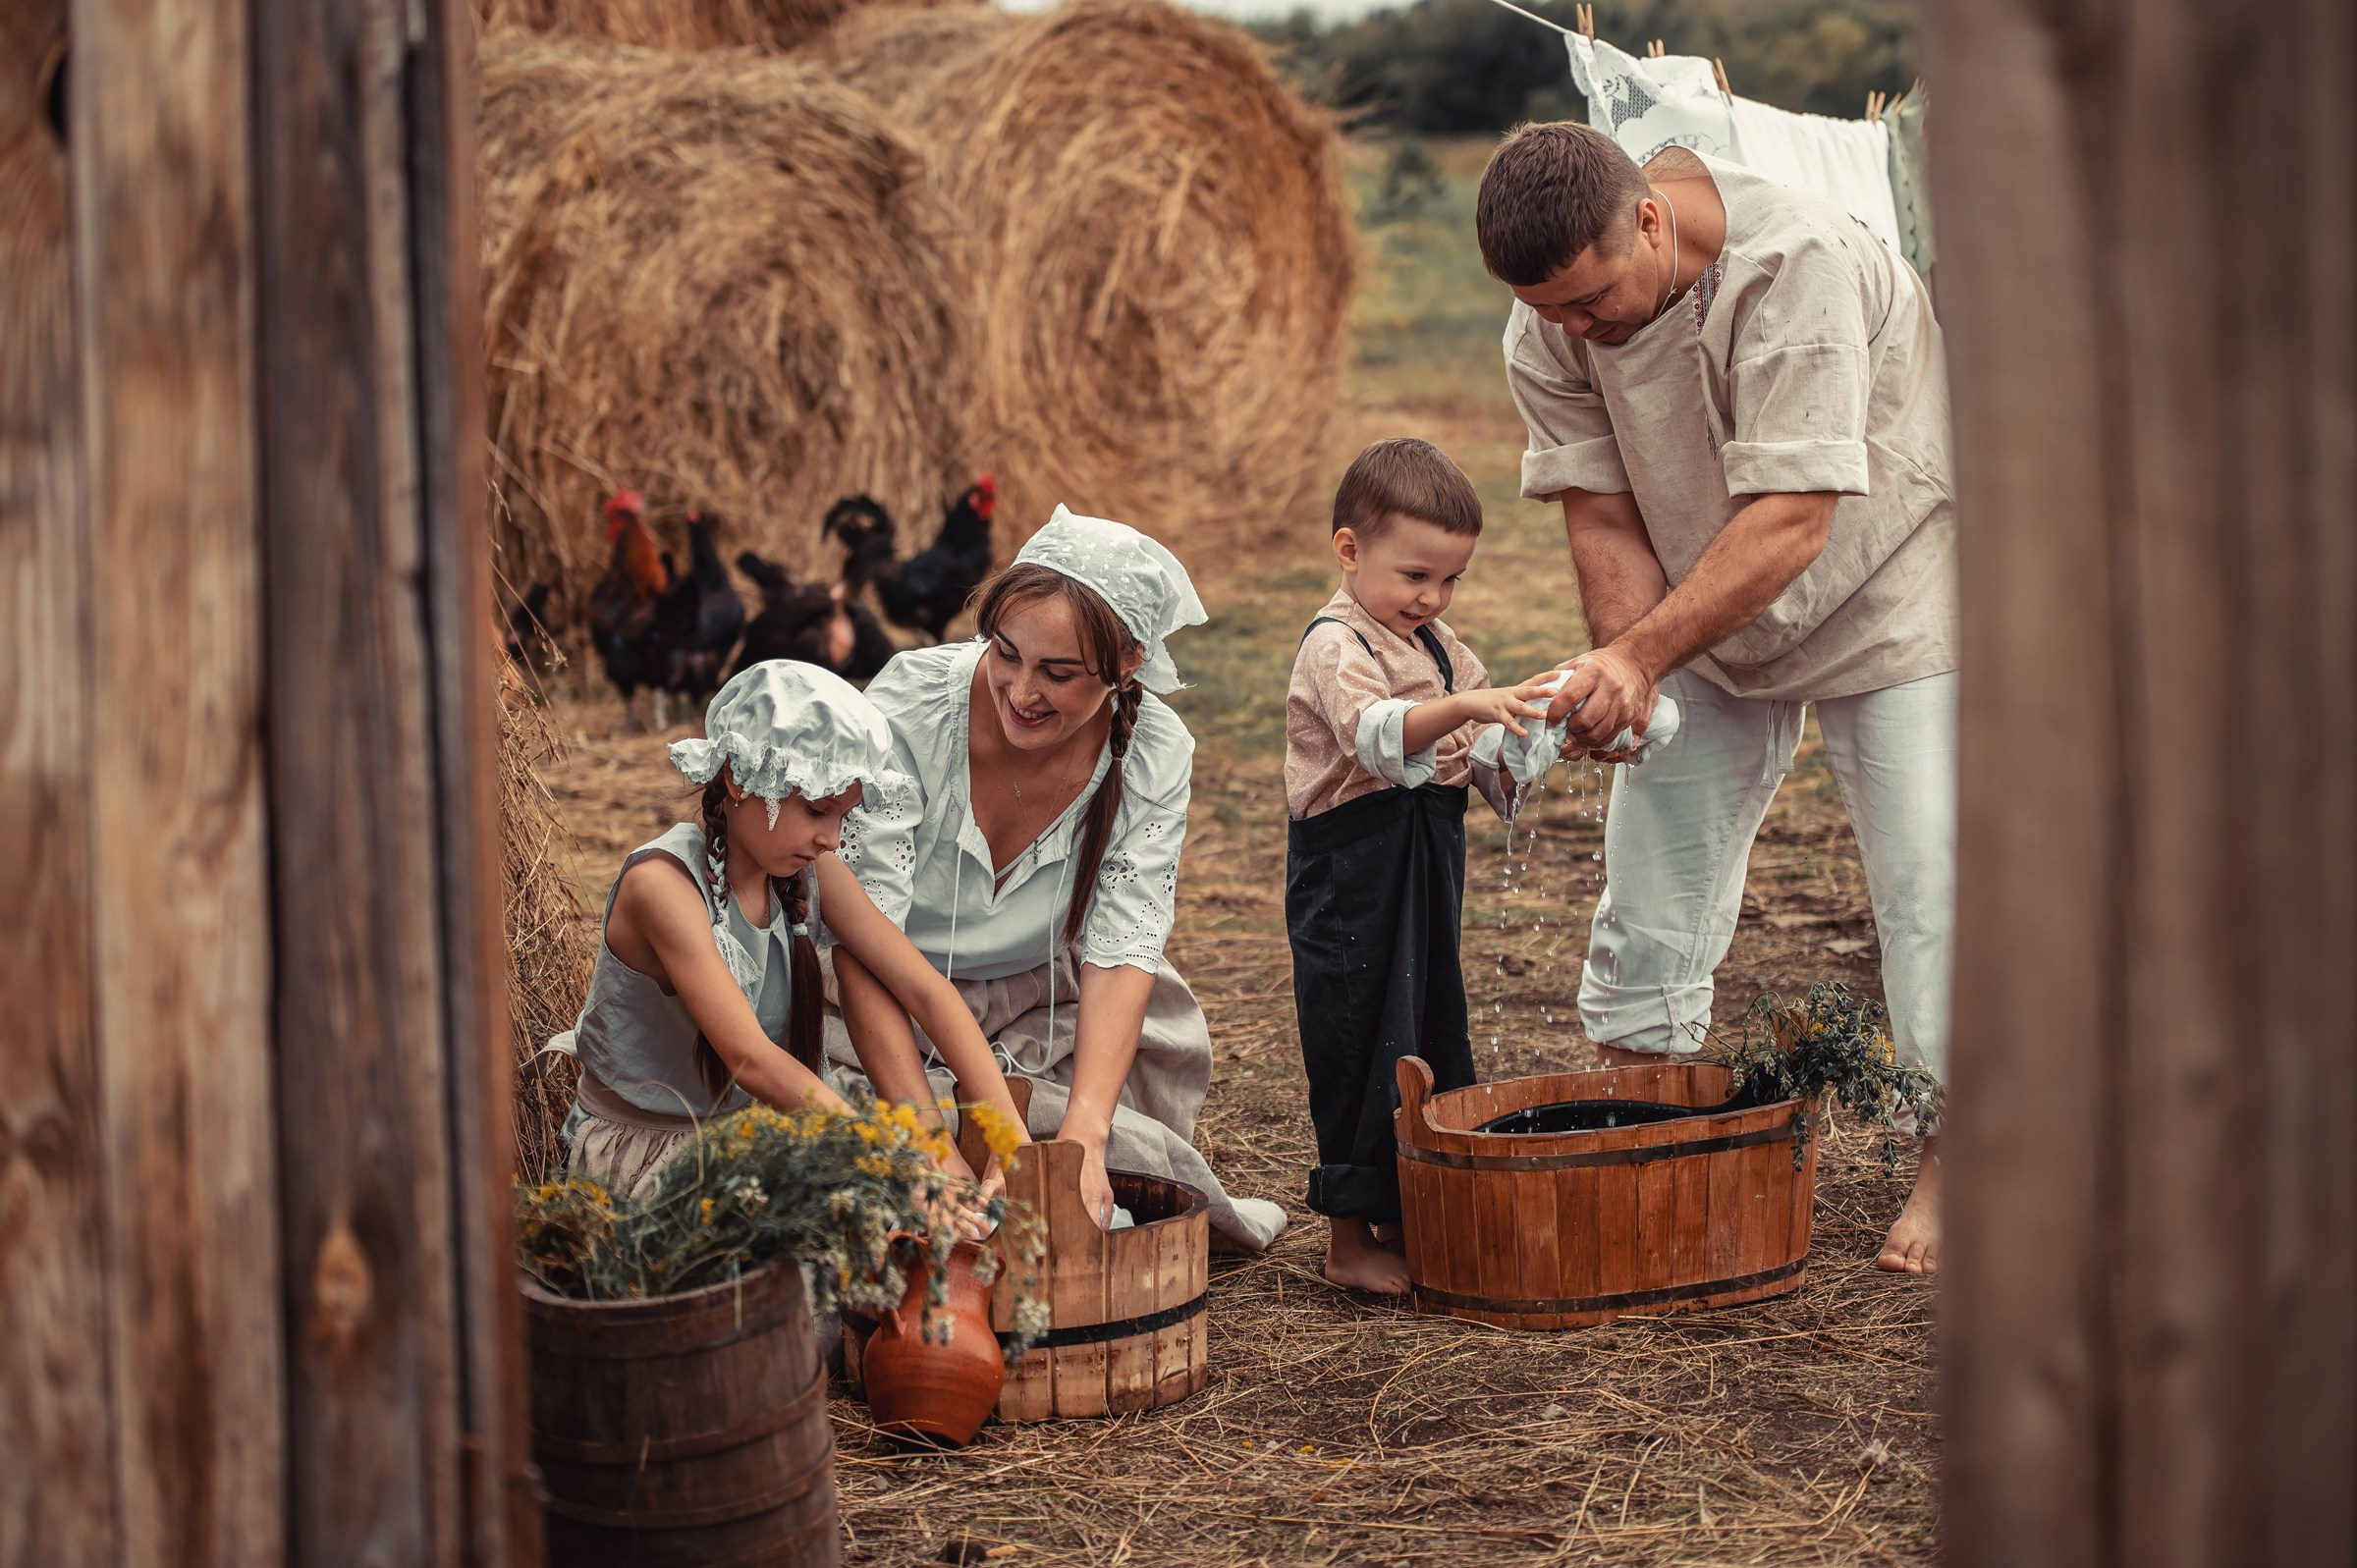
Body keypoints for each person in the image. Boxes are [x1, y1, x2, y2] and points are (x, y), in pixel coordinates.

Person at [1477, 123, 1957, 1273]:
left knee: (1930, 884)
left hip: (1891, 591)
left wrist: (1642, 654)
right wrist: (1620, 672)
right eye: (1554, 313)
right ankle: (1645, 1119)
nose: (1575, 330)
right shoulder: (1550, 313)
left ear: (1650, 218)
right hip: (1699, 596)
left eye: (1593, 302)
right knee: (1652, 878)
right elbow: (1598, 507)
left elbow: (1795, 516)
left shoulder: (1799, 266)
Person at [832, 506, 1288, 1250]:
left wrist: (1083, 1134)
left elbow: (1120, 944)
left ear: (1127, 663)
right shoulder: (911, 707)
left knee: (1124, 1163)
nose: (1019, 689)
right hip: (880, 999)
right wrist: (923, 1139)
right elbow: (863, 941)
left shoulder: (1152, 751)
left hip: (1046, 1001)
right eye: (1005, 653)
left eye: (1058, 672)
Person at [556, 660, 1031, 1200]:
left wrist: (1009, 1140)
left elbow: (926, 989)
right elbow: (752, 1060)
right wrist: (900, 1168)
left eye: (844, 819)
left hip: (749, 1135)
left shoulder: (805, 871)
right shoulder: (663, 888)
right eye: (815, 810)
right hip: (653, 1160)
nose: (831, 838)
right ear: (738, 778)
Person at [1284, 438, 1555, 1293]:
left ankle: (1414, 1201)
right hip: (1351, 871)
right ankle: (1347, 1235)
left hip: (1425, 865)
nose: (1432, 598)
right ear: (1350, 550)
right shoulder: (1336, 644)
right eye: (1414, 577)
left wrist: (1537, 725)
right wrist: (1470, 705)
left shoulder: (1440, 648)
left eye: (1449, 581)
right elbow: (1377, 736)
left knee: (1430, 1023)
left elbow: (1477, 758)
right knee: (1358, 1033)